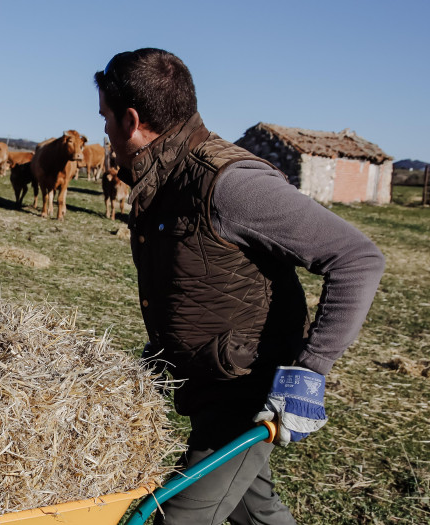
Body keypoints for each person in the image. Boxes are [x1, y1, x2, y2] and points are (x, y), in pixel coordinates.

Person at [94, 48, 385, 524]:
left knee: (173, 520)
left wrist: (311, 370)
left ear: (131, 121)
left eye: (105, 118)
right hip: (211, 381)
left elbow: (358, 258)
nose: (103, 131)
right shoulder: (165, 179)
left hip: (244, 392)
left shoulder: (227, 184)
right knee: (257, 510)